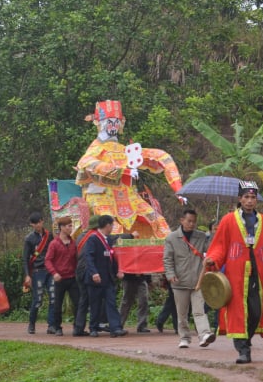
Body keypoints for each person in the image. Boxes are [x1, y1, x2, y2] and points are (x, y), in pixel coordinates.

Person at [75, 99, 184, 239]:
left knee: (157, 220)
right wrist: (124, 171)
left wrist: (178, 189)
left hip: (128, 196)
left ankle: (164, 254)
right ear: (100, 123)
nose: (113, 126)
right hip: (101, 196)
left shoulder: (124, 150)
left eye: (116, 122)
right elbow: (86, 162)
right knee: (112, 226)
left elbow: (161, 156)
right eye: (109, 122)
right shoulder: (96, 148)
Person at [204, 181, 263, 364]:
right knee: (237, 311)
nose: (249, 201)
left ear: (256, 200)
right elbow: (219, 246)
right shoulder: (228, 220)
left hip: (258, 272)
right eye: (246, 197)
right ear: (240, 199)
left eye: (253, 198)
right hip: (235, 274)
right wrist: (213, 259)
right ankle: (242, 350)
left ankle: (246, 339)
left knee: (256, 311)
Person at [163, 208, 214, 349]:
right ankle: (184, 337)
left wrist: (214, 236)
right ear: (182, 220)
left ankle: (204, 335)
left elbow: (210, 251)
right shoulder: (171, 238)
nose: (192, 224)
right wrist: (170, 274)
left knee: (199, 310)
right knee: (182, 313)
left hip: (198, 281)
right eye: (189, 221)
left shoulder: (201, 236)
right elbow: (167, 259)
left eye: (194, 222)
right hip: (179, 282)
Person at [82, 214, 128, 337]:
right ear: (107, 226)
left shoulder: (108, 240)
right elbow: (89, 257)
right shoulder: (93, 239)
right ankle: (93, 327)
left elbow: (111, 257)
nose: (112, 227)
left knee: (111, 302)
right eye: (112, 225)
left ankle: (115, 328)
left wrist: (118, 270)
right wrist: (94, 273)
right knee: (95, 304)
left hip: (107, 278)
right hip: (95, 278)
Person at [44, 216, 80, 336]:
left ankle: (77, 327)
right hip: (60, 278)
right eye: (69, 226)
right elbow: (48, 260)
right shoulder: (54, 244)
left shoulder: (73, 243)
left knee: (78, 302)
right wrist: (54, 273)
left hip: (72, 278)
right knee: (57, 304)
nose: (71, 228)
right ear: (62, 228)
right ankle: (57, 327)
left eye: (71, 225)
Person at [22, 213, 54, 335]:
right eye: (35, 223)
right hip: (37, 271)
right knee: (38, 299)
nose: (38, 225)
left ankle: (51, 325)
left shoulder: (49, 235)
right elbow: (25, 258)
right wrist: (27, 275)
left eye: (39, 222)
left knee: (53, 297)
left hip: (50, 270)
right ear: (32, 225)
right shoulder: (29, 239)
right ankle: (32, 323)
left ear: (42, 221)